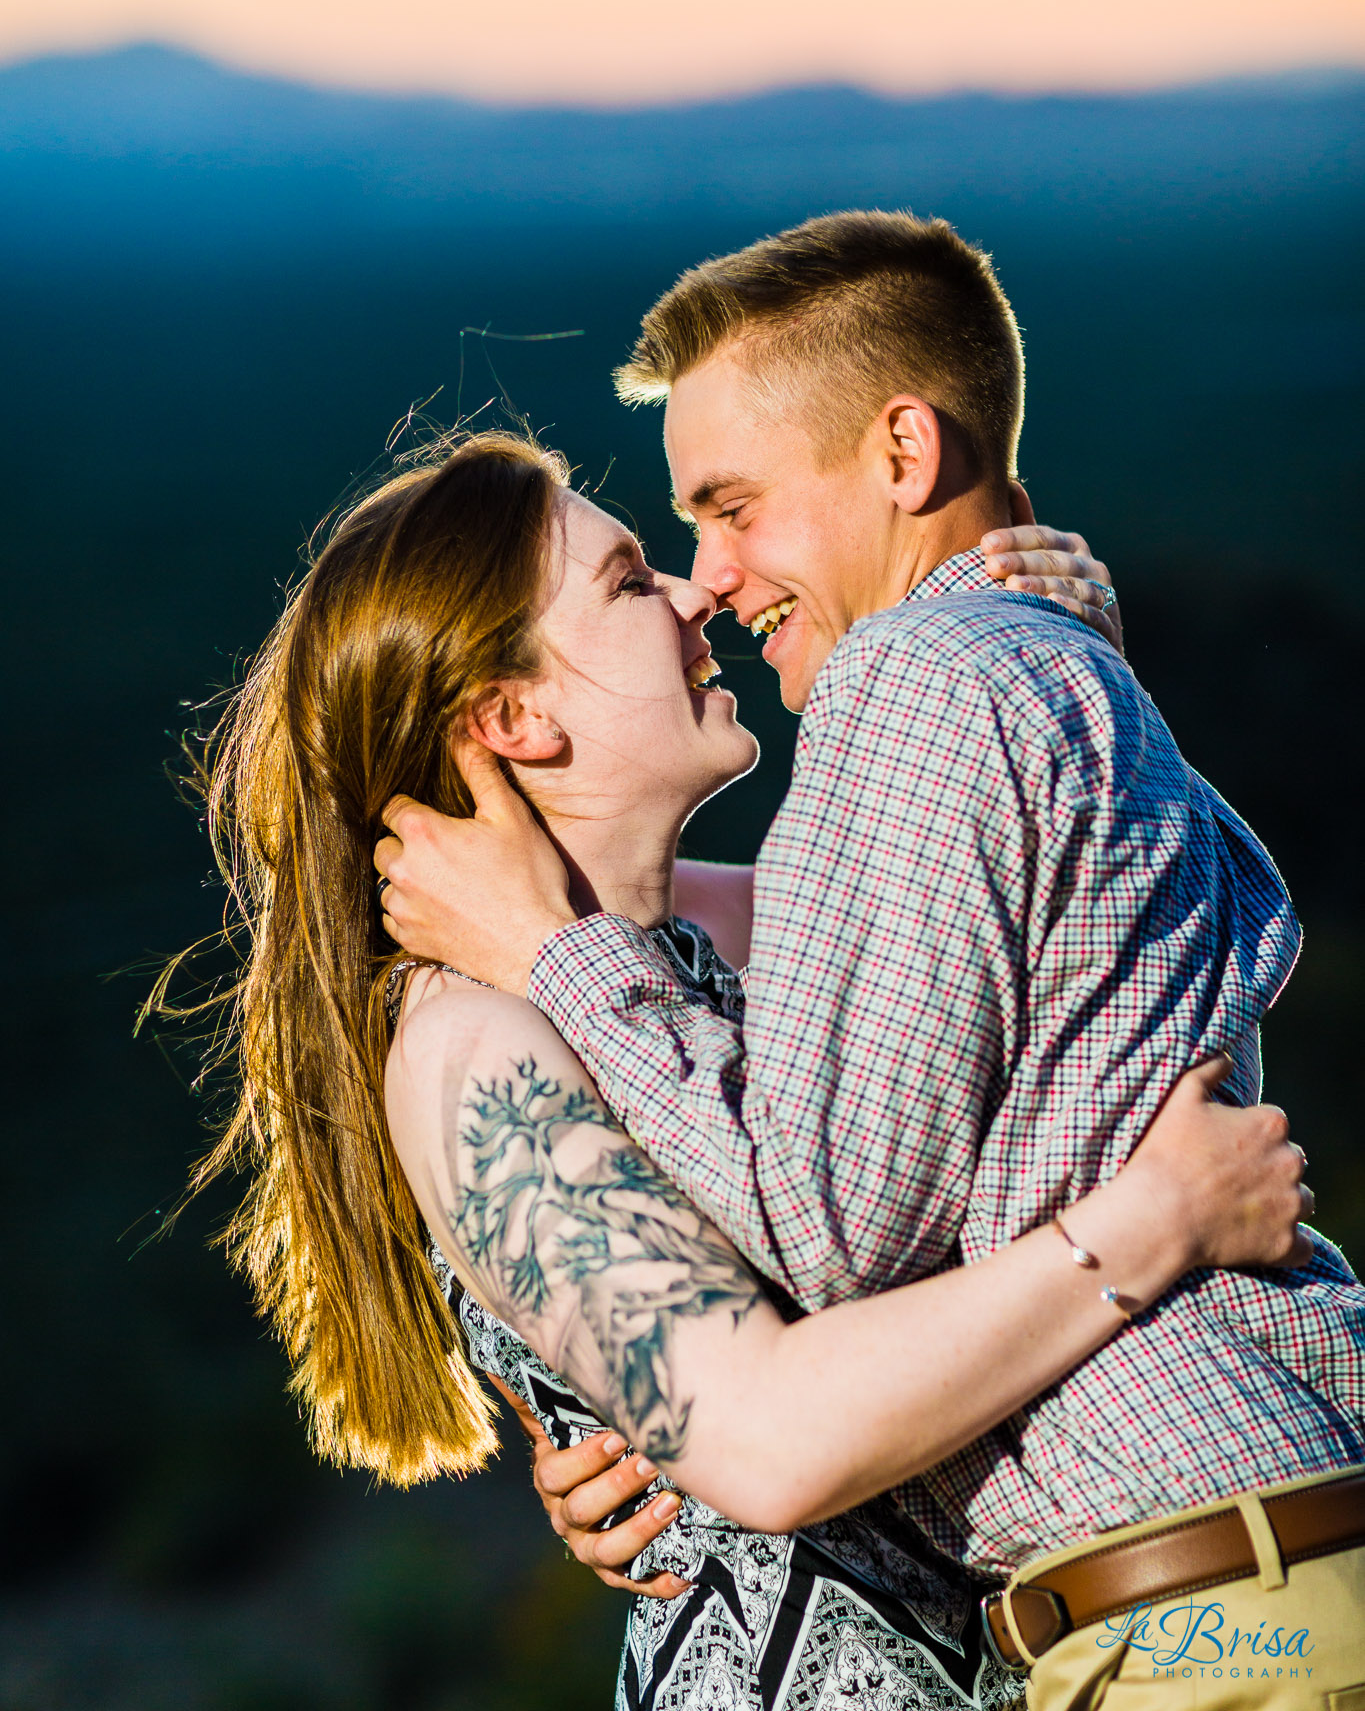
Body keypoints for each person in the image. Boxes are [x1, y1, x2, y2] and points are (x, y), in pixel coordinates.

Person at [376, 214, 1365, 1710]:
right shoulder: (618, 962)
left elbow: (828, 1234)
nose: (707, 582)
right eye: (652, 568)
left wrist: (551, 946)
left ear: (902, 455)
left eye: (725, 510)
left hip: (1195, 1597)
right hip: (1218, 1565)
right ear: (510, 715)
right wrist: (631, 1416)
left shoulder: (911, 681)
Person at [173, 428, 1310, 1711]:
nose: (695, 589)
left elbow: (1067, 924)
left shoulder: (706, 929)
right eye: (626, 582)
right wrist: (1148, 1224)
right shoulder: (469, 1049)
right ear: (512, 716)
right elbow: (764, 1443)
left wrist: (1057, 664)